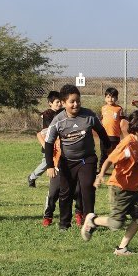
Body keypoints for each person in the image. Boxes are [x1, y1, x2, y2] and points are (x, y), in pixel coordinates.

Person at [82, 109, 138, 255]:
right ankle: (93, 221)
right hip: (120, 188)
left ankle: (122, 249)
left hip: (133, 189)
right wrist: (100, 175)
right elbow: (109, 159)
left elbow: (136, 166)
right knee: (116, 224)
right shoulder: (127, 143)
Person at [42, 84, 110, 230]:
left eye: (78, 101)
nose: (76, 104)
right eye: (72, 101)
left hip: (87, 160)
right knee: (65, 193)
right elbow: (48, 143)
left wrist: (108, 153)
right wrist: (49, 165)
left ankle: (89, 222)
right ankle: (64, 224)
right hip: (67, 162)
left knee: (87, 189)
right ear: (63, 103)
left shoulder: (89, 116)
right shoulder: (58, 120)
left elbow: (103, 134)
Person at [27, 91, 63, 188]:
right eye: (57, 102)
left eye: (60, 101)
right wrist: (45, 144)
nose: (59, 104)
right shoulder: (47, 114)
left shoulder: (62, 112)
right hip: (49, 143)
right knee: (47, 163)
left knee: (58, 162)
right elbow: (47, 131)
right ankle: (32, 177)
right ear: (50, 103)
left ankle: (59, 182)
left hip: (59, 144)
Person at [100, 87, 126, 161]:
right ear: (105, 98)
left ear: (116, 98)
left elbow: (122, 122)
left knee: (115, 155)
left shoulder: (119, 109)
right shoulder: (103, 108)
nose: (110, 99)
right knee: (104, 154)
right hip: (104, 135)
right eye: (108, 97)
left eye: (113, 97)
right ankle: (102, 167)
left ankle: (116, 167)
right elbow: (101, 120)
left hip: (114, 136)